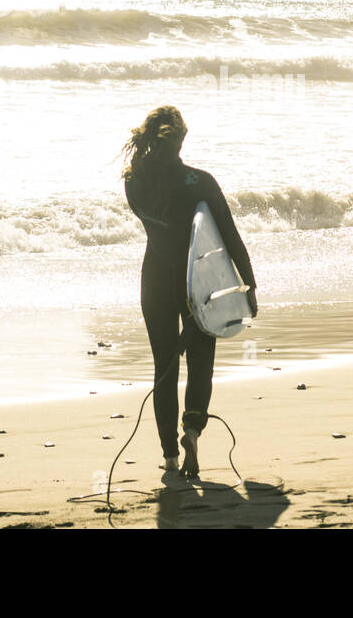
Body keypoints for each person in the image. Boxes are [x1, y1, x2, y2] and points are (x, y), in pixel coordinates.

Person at [121, 105, 257, 476]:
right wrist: (249, 285)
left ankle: (169, 458)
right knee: (200, 361)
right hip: (198, 284)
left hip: (155, 279)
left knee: (164, 366)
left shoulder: (133, 180)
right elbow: (229, 238)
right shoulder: (201, 182)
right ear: (181, 139)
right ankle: (192, 429)